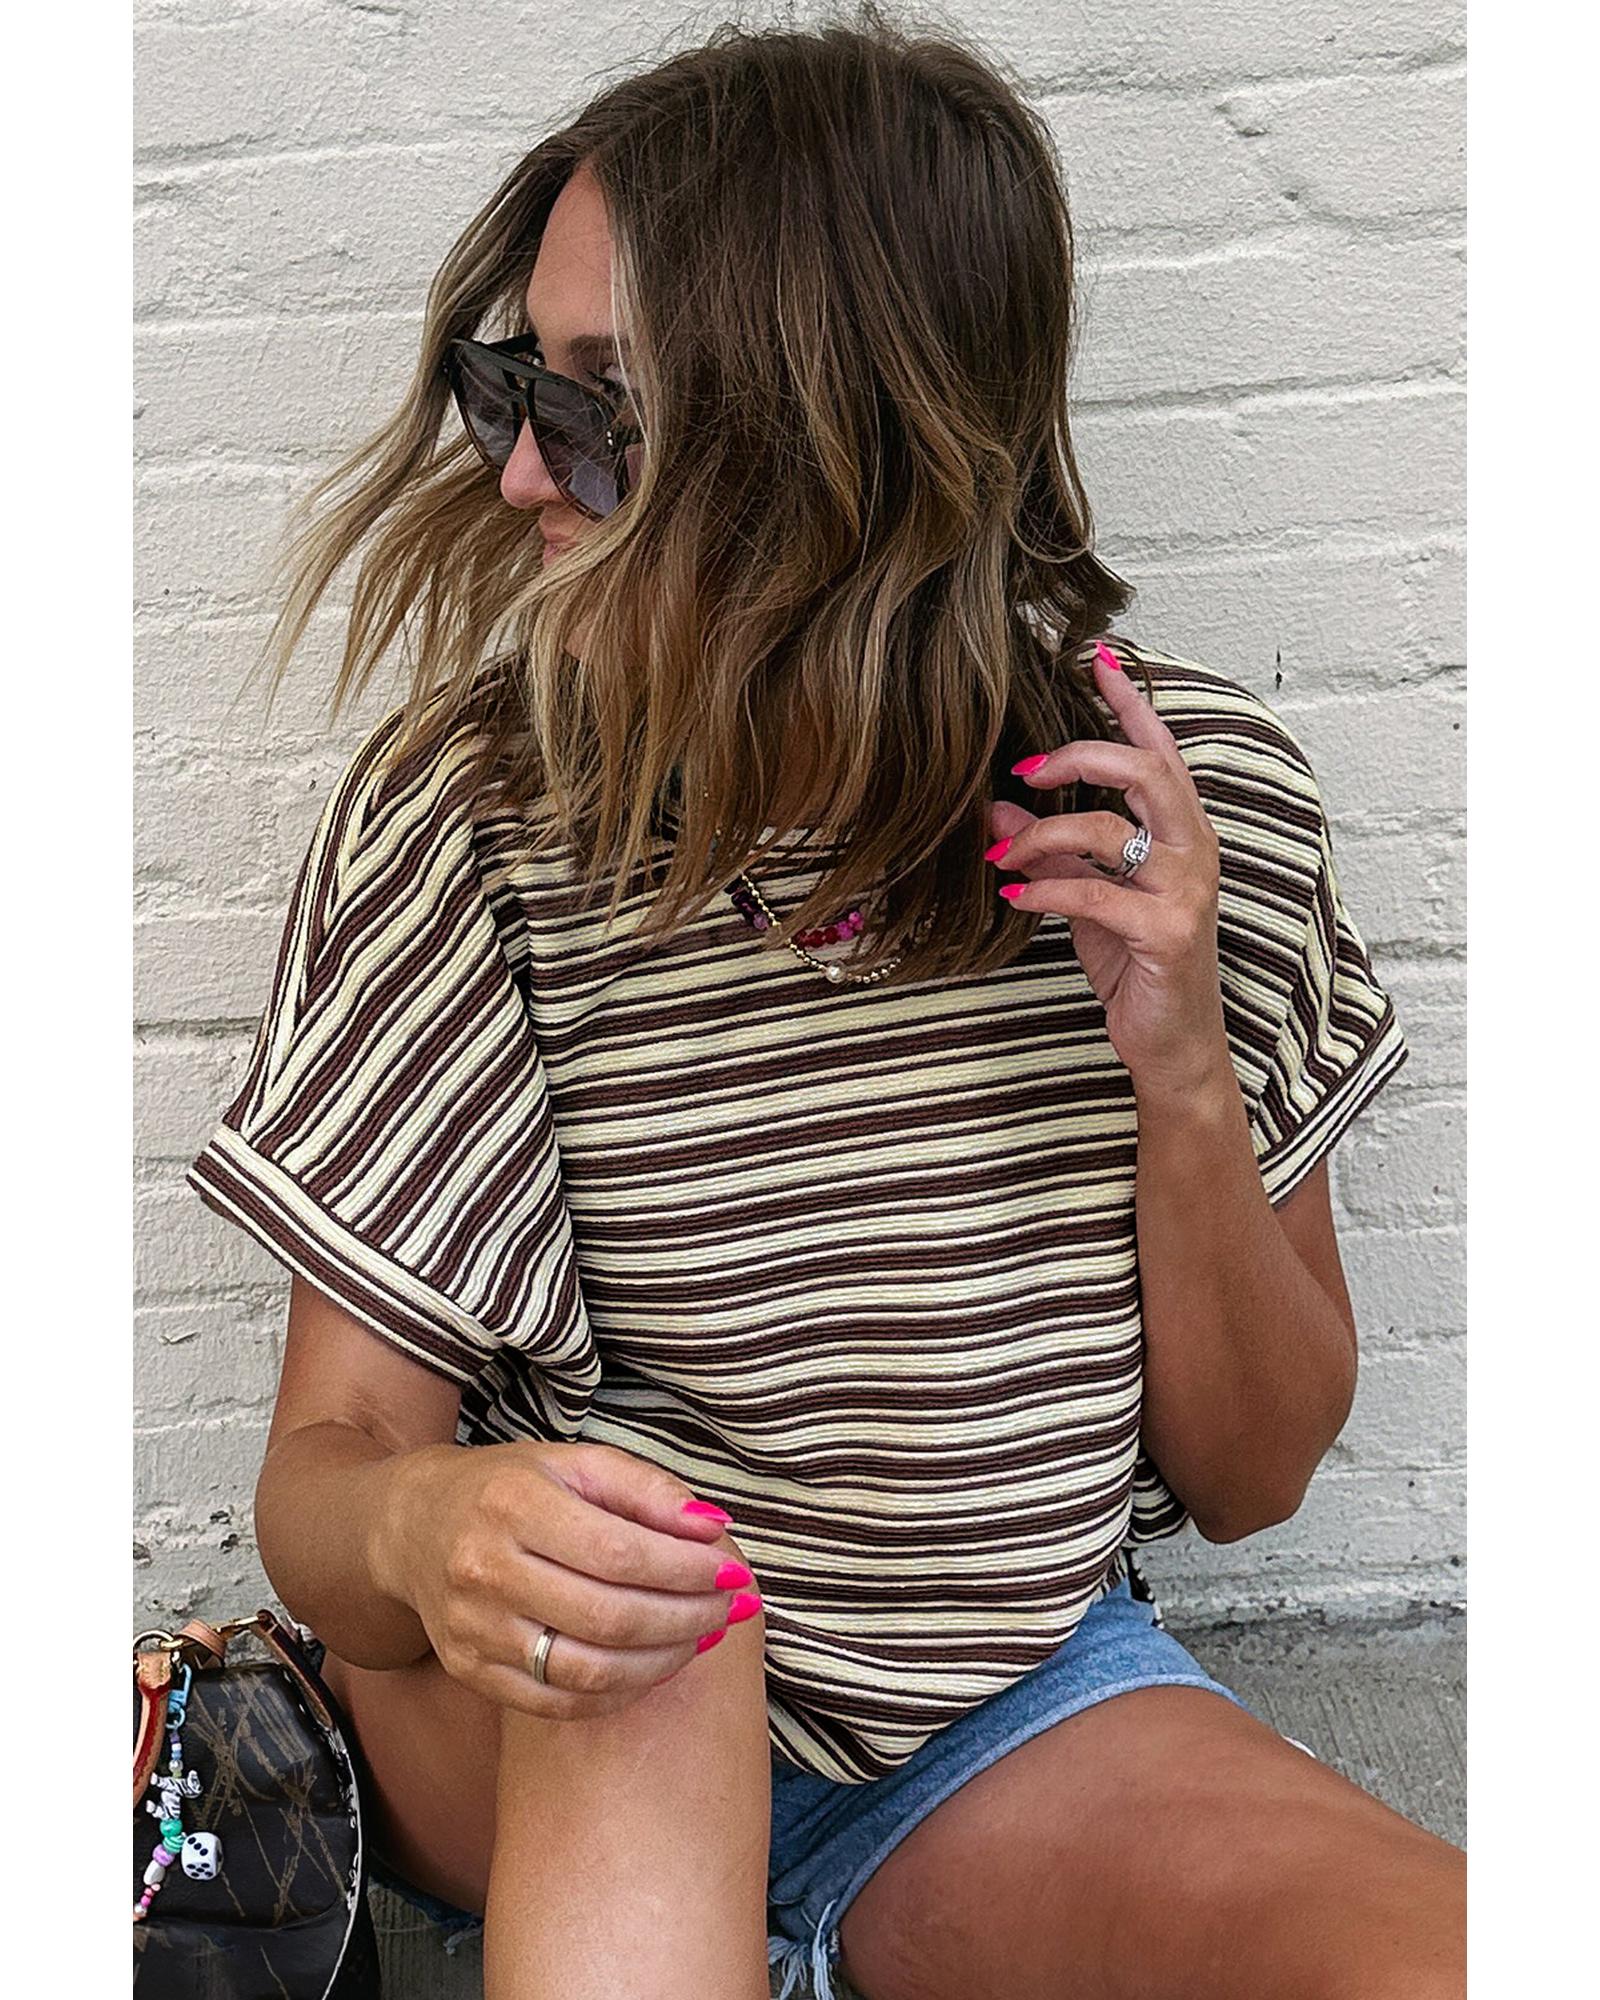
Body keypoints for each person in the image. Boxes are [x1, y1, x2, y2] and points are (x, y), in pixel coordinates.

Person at [185, 11, 1465, 1998]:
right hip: (559, 1690)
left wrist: (1184, 1069)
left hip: (994, 1719)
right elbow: (323, 1484)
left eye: (598, 408)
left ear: (842, 438)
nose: (518, 465)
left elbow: (1255, 1474)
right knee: (659, 1601)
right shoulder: (482, 814)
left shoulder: (1165, 813)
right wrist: (442, 1523)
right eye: (512, 381)